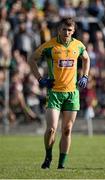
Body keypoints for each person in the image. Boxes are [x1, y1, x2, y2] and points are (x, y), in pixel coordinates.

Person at [28, 18, 90, 169]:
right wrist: (40, 79)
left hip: (72, 93)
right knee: (51, 129)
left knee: (67, 129)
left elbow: (86, 59)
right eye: (64, 29)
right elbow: (31, 59)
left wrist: (85, 76)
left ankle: (61, 165)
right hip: (54, 93)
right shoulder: (50, 46)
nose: (67, 32)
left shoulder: (78, 45)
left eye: (69, 30)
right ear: (58, 30)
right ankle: (48, 156)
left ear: (73, 31)